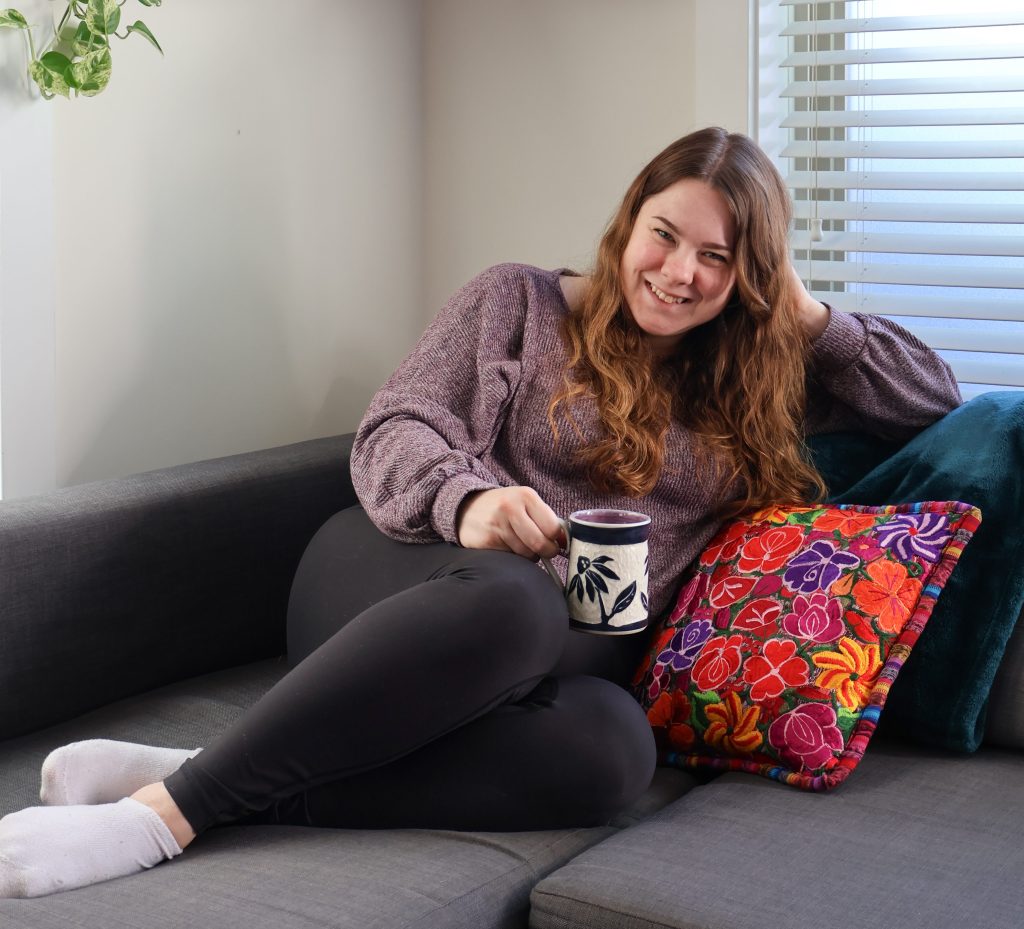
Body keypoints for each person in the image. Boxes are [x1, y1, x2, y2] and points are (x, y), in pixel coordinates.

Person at [0, 127, 962, 898]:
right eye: (666, 234)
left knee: (615, 748)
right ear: (630, 218)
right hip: (396, 583)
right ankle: (159, 820)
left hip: (551, 662)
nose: (680, 272)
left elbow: (934, 400)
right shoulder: (518, 303)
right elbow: (394, 427)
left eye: (718, 257)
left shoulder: (756, 379)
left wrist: (804, 315)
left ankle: (223, 766)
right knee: (518, 598)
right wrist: (471, 501)